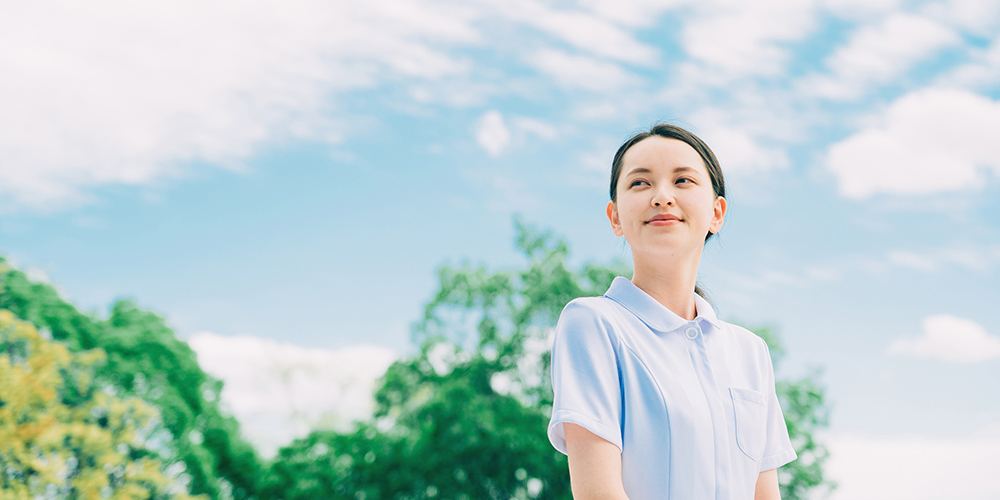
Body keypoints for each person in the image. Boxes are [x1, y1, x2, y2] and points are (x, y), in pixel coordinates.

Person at [547, 123, 797, 500]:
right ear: (615, 217)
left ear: (717, 212)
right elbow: (598, 493)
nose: (662, 197)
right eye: (640, 183)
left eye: (683, 181)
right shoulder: (593, 324)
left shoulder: (751, 352)